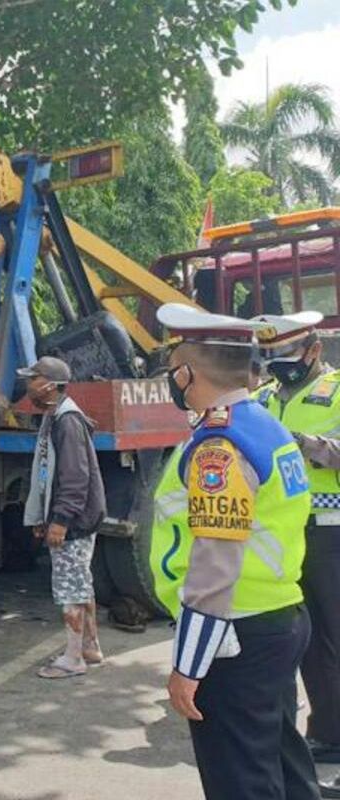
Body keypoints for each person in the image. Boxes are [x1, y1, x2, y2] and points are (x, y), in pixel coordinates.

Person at [151, 303, 316, 800]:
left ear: (187, 373)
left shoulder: (220, 445)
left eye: (172, 366)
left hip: (236, 631)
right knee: (281, 758)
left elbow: (214, 564)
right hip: (279, 614)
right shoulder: (264, 424)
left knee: (240, 780)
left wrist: (189, 665)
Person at [252, 311, 340, 796]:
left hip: (330, 532)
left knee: (331, 639)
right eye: (271, 358)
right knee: (288, 636)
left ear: (313, 350)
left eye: (286, 357)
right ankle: (307, 729)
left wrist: (308, 445)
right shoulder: (264, 397)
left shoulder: (338, 389)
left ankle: (331, 731)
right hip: (280, 536)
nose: (278, 367)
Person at [18, 356, 107, 679]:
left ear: (50, 386)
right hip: (76, 518)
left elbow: (75, 477)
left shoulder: (67, 422)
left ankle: (73, 658)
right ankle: (90, 646)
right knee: (81, 582)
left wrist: (60, 520)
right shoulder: (55, 416)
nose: (29, 386)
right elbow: (48, 473)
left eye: (33, 379)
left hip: (75, 521)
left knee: (70, 587)